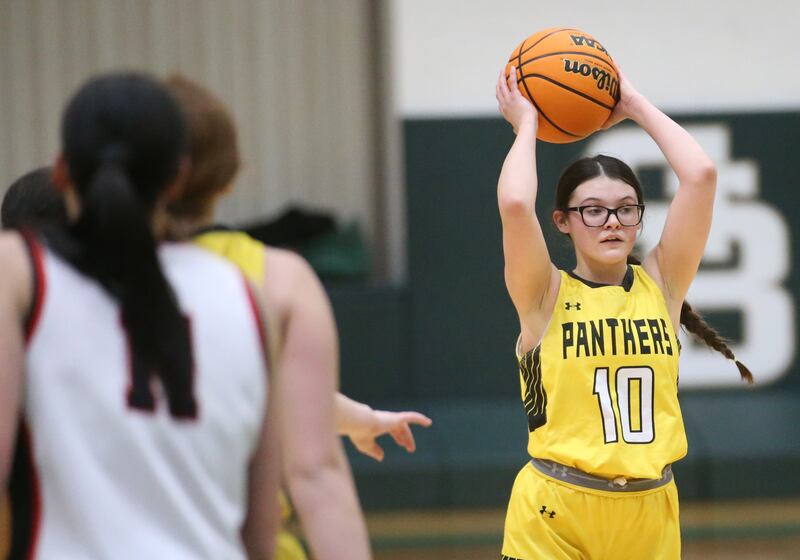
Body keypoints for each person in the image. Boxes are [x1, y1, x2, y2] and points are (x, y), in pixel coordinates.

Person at [0, 72, 365, 560]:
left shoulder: (23, 277)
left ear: (62, 171)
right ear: (176, 177)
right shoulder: (253, 295)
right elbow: (264, 527)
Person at [162, 74, 430, 560]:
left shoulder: (66, 279)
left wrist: (359, 417)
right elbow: (314, 471)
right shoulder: (276, 277)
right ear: (229, 176)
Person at [494, 65, 752, 560]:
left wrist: (632, 102)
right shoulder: (543, 293)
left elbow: (701, 175)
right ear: (563, 222)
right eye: (592, 210)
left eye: (626, 208)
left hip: (649, 509)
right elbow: (512, 203)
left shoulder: (662, 284)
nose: (611, 221)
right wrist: (527, 123)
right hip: (555, 509)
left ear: (638, 218)